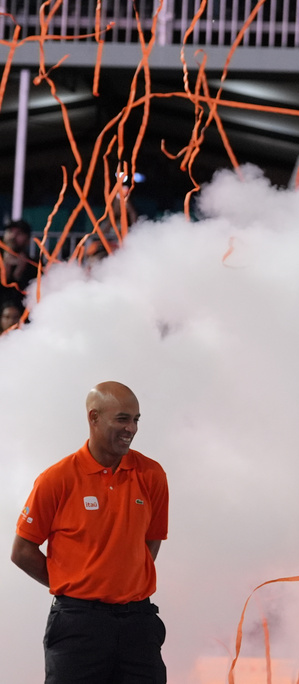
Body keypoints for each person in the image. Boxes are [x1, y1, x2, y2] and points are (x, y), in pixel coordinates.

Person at [11, 381, 169, 683]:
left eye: (136, 420)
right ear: (93, 418)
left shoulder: (152, 474)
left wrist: (124, 581)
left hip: (139, 623)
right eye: (122, 419)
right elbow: (22, 551)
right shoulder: (57, 479)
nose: (132, 429)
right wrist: (74, 585)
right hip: (77, 625)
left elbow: (152, 538)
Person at [2, 219, 38, 306]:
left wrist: (18, 275)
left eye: (19, 233)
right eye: (10, 232)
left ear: (28, 240)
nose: (13, 236)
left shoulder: (35, 266)